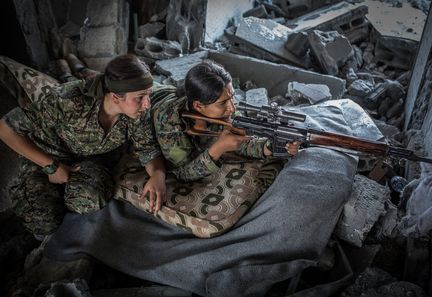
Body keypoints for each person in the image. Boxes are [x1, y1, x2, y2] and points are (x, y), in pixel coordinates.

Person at [0, 54, 166, 238]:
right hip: (45, 157)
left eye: (148, 95)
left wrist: (158, 174)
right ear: (115, 97)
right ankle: (64, 67)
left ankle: (71, 67)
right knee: (42, 222)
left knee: (90, 198)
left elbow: (148, 149)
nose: (147, 104)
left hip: (85, 160)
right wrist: (51, 166)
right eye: (140, 97)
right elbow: (5, 128)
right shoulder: (67, 101)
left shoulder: (138, 113)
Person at [151, 59, 300, 182]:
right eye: (223, 103)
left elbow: (242, 139)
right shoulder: (169, 120)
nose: (232, 108)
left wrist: (269, 146)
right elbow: (181, 173)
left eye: (232, 97)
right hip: (151, 99)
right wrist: (218, 149)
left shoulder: (221, 103)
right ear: (198, 106)